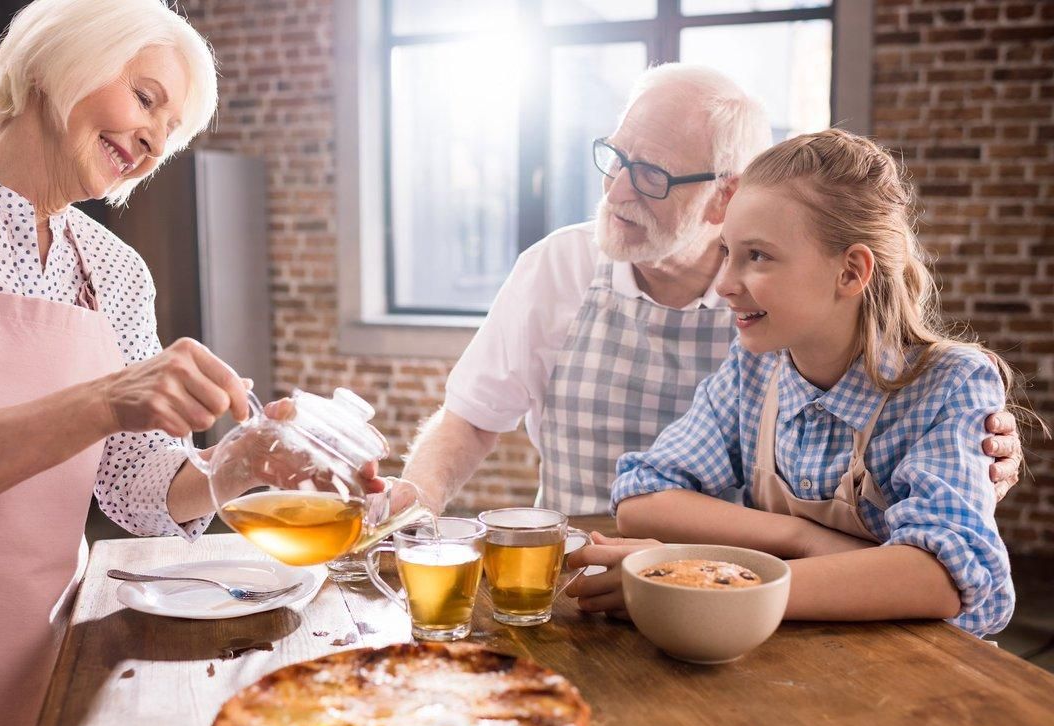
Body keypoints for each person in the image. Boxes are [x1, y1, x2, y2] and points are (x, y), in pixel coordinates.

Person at [0, 2, 360, 726]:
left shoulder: (117, 272)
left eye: (174, 127)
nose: (156, 138)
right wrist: (102, 400)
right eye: (148, 98)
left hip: (46, 670)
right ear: (62, 64)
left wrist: (239, 460)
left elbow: (132, 486)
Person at [399, 64, 1022, 519]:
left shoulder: (781, 299)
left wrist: (966, 452)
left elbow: (899, 406)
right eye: (616, 158)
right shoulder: (555, 269)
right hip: (581, 574)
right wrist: (413, 502)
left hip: (744, 589)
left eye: (650, 176)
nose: (616, 192)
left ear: (728, 193)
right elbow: (471, 421)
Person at [567, 128, 1023, 637]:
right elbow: (642, 499)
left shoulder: (949, 385)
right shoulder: (754, 372)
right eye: (727, 252)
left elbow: (939, 577)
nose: (725, 284)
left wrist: (708, 582)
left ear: (851, 272)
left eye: (757, 256)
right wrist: (801, 537)